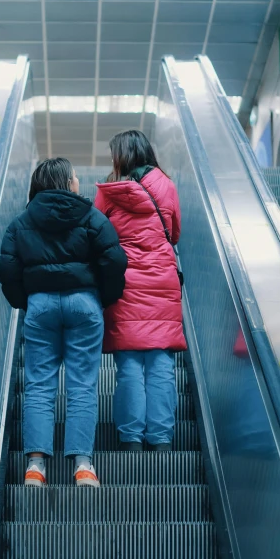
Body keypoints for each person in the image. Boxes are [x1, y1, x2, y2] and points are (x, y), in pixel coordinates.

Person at [0, 158, 127, 488]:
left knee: (39, 384)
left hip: (40, 305)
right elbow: (114, 260)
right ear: (66, 183)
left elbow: (7, 269)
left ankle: (35, 468)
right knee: (82, 384)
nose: (79, 179)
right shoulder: (91, 216)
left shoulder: (21, 222)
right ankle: (83, 467)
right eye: (75, 176)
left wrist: (25, 302)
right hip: (84, 303)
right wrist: (102, 298)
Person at [95, 130, 187, 452]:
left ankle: (131, 438)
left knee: (129, 365)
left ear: (122, 156)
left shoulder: (108, 193)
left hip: (126, 283)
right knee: (161, 363)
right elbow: (173, 234)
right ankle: (161, 439)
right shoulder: (167, 185)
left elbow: (99, 239)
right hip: (162, 281)